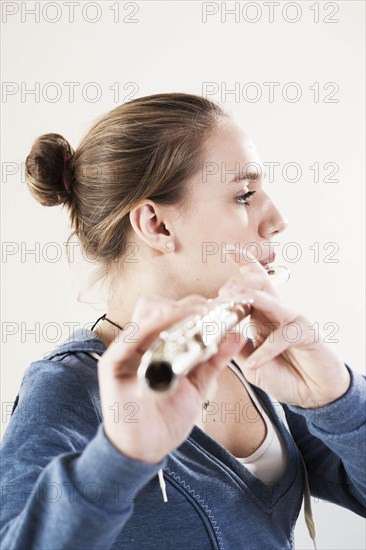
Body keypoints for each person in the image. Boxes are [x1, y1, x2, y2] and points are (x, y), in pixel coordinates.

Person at [1, 93, 365, 550]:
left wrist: (338, 398)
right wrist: (119, 459)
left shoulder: (249, 358)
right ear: (157, 226)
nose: (278, 221)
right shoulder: (66, 391)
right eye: (245, 195)